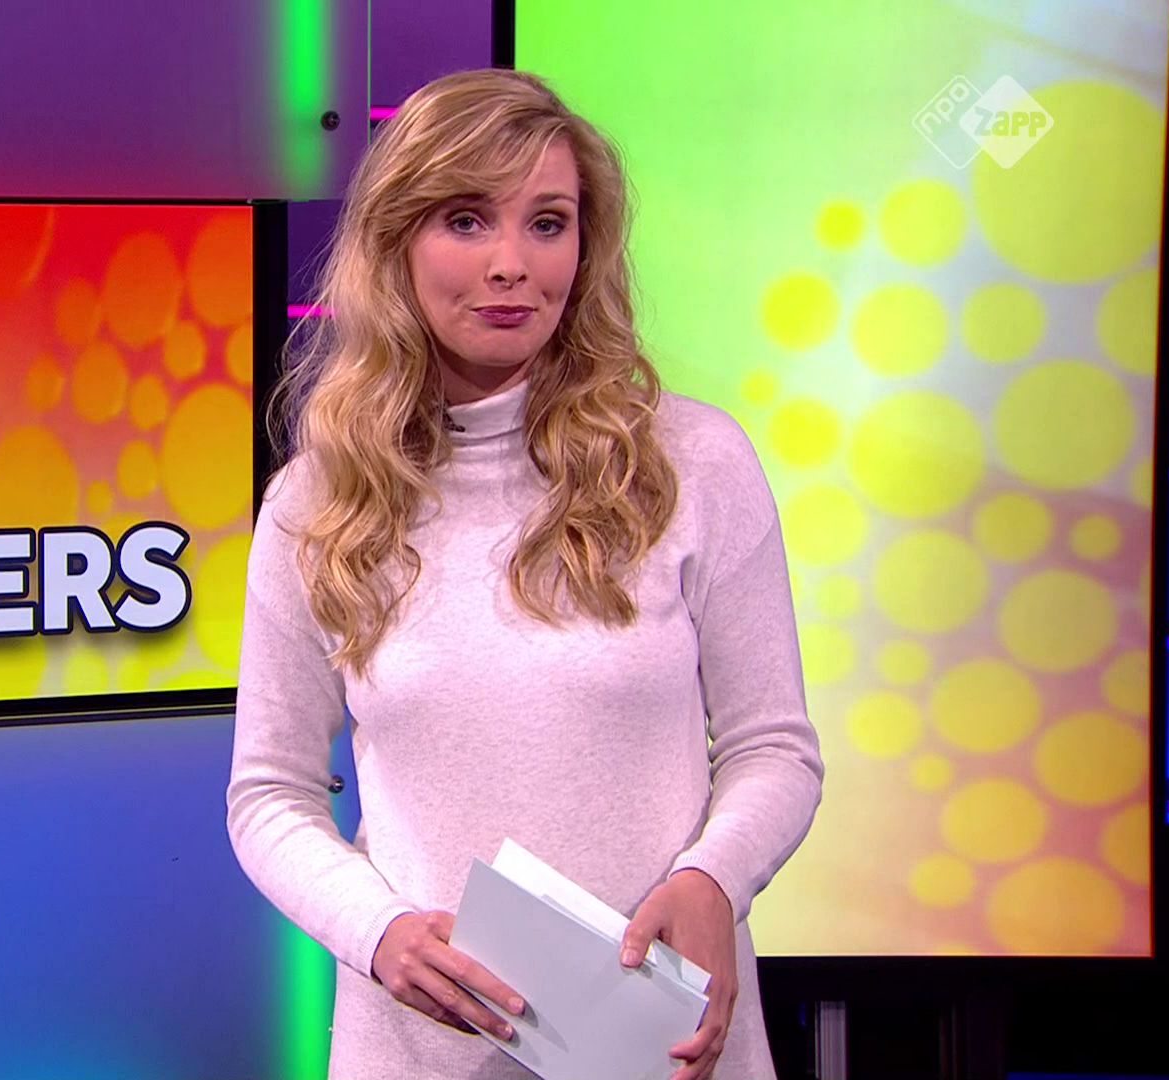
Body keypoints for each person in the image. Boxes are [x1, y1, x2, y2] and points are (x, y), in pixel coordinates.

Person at [225, 68, 825, 1080]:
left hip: (665, 1047)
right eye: (466, 221)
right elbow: (268, 795)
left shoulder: (692, 464)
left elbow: (775, 748)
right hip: (417, 1053)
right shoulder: (317, 504)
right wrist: (378, 932)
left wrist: (714, 880)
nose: (511, 264)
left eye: (548, 223)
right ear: (396, 242)